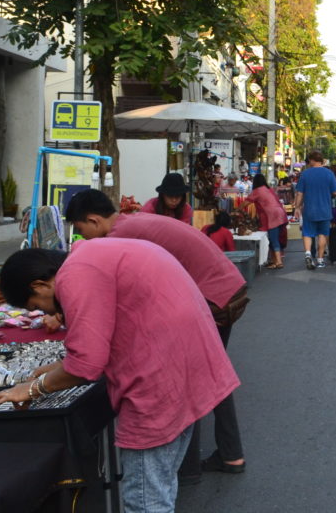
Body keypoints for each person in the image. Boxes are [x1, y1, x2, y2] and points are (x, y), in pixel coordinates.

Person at [0, 242, 237, 513]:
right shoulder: (92, 255)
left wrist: (33, 388)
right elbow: (109, 327)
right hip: (187, 366)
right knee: (159, 485)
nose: (47, 313)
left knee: (145, 500)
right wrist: (62, 364)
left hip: (161, 381)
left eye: (36, 305)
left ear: (39, 285)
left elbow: (86, 364)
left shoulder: (75, 274)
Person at [62, 190, 249, 477]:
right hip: (225, 286)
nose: (81, 238)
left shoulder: (117, 238)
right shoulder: (132, 222)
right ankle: (228, 454)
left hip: (214, 295)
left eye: (80, 229)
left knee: (192, 373)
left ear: (93, 220)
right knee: (208, 372)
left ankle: (189, 468)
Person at [294, 150, 336, 269]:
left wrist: (297, 207)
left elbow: (300, 193)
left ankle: (308, 254)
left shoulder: (305, 174)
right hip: (325, 209)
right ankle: (320, 260)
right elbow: (335, 192)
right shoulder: (329, 173)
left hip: (309, 209)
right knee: (322, 234)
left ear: (312, 160)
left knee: (308, 233)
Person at [248, 174, 289, 269]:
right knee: (273, 238)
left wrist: (236, 210)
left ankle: (279, 262)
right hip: (280, 214)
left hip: (272, 216)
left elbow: (246, 202)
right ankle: (274, 261)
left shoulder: (257, 191)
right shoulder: (269, 189)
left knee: (274, 239)